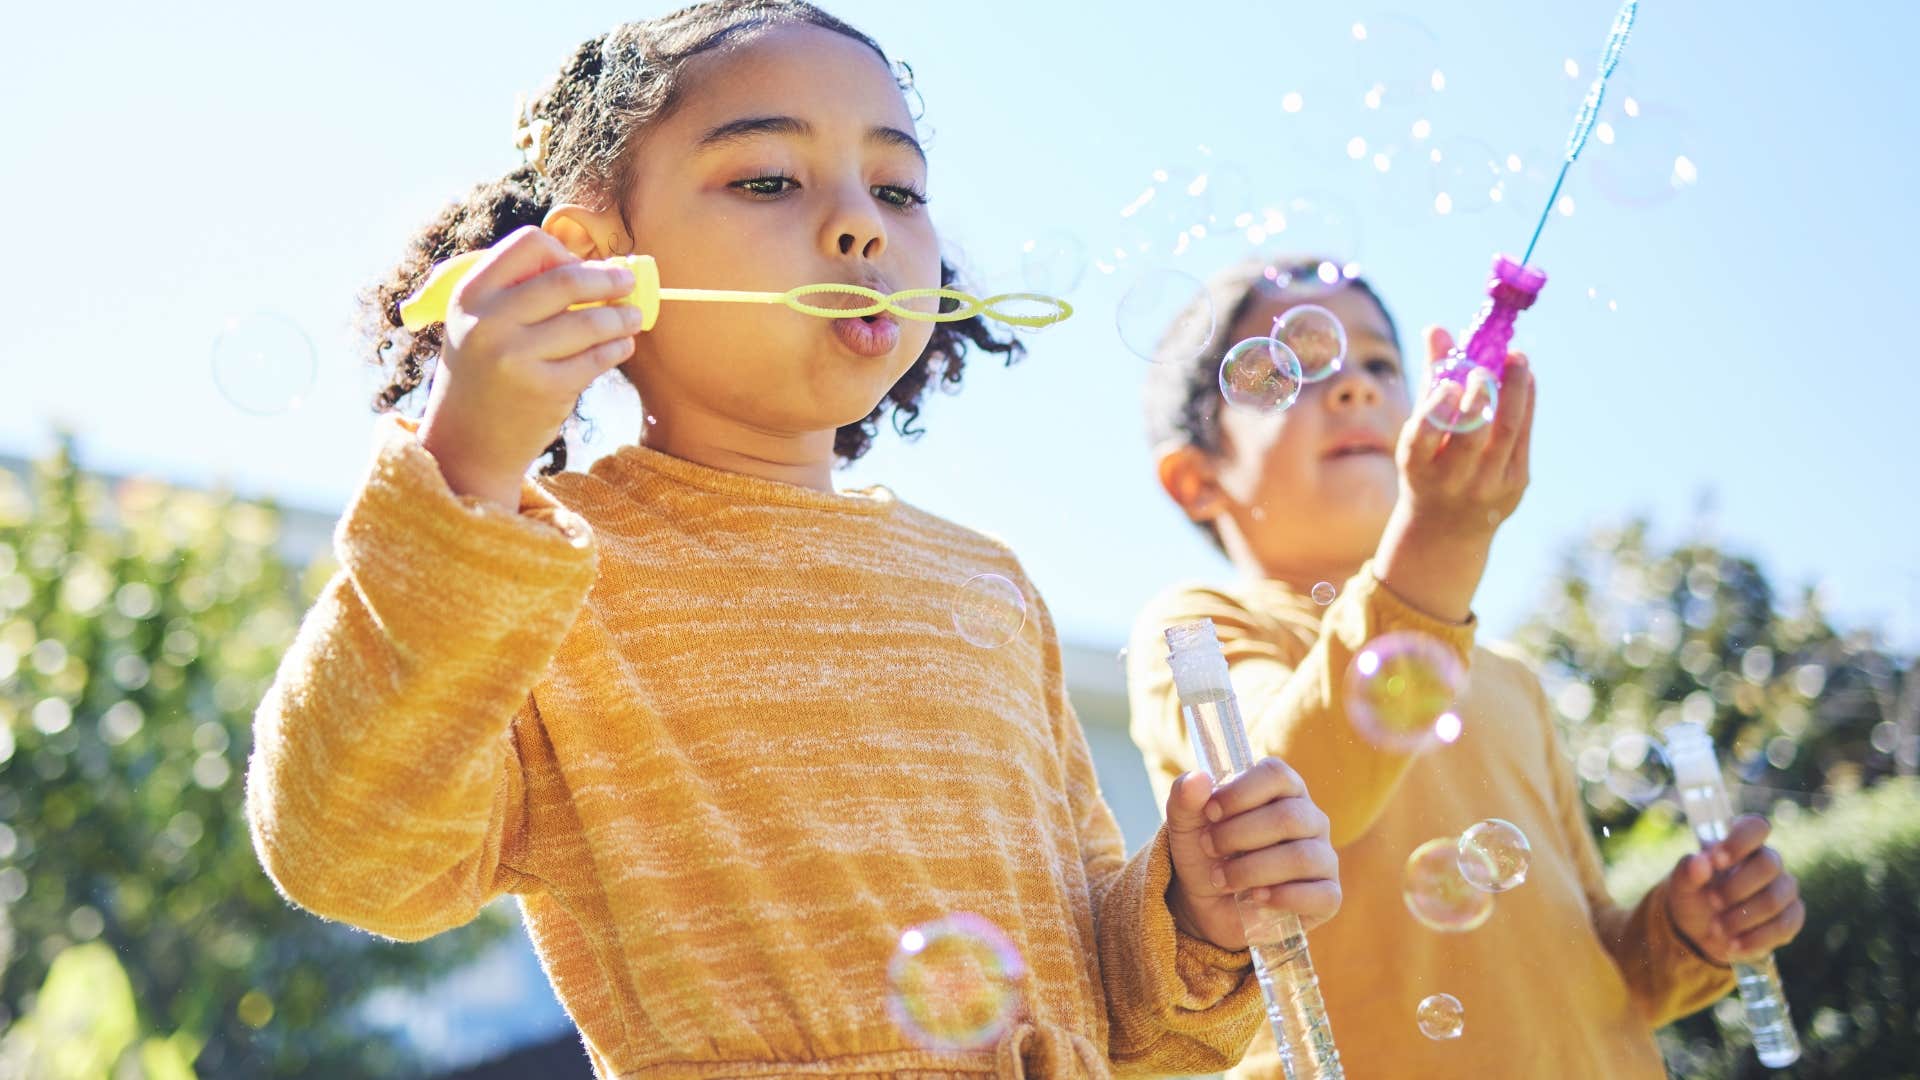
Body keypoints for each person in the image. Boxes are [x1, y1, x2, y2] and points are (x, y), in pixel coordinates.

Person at [244, 6, 1340, 1076]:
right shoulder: (532, 572)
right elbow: (350, 852)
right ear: (594, 258)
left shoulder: (988, 585)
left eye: (898, 188)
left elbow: (1110, 1026)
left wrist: (1193, 916)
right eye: (769, 178)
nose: (862, 224)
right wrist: (466, 477)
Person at [1125, 257, 1804, 1077]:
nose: (1354, 388)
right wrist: (1438, 542)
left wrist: (1686, 932)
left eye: (1379, 362)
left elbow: (1596, 959)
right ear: (1196, 478)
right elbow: (1280, 807)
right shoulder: (1202, 627)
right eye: (1295, 368)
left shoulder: (1508, 678)